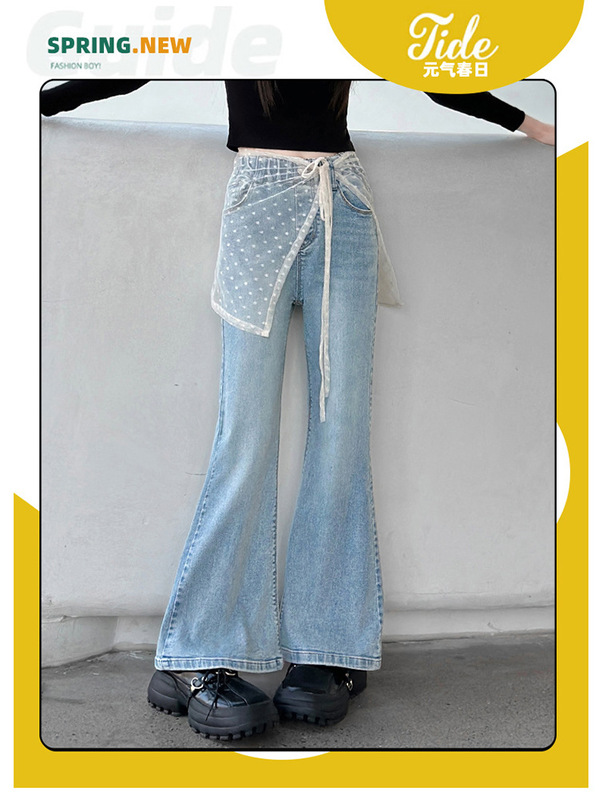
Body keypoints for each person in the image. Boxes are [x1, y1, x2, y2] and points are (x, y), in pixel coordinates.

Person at [41, 79, 554, 743]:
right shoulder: (247, 30)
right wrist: (40, 100)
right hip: (261, 197)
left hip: (346, 202)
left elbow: (420, 65)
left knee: (342, 433)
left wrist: (531, 125)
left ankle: (327, 646)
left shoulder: (342, 28)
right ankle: (195, 652)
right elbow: (152, 54)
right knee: (245, 436)